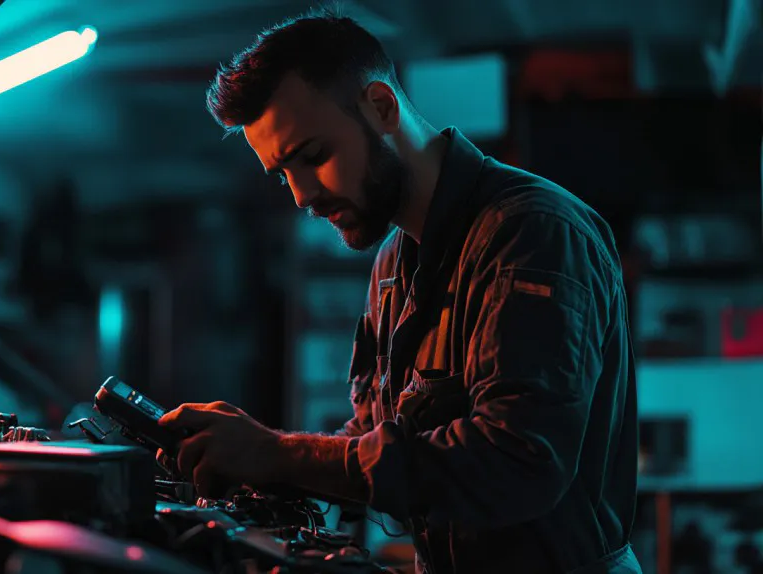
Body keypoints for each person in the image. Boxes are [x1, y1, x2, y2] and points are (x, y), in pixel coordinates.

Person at [157, 7, 642, 574]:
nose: (301, 196)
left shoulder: (533, 232)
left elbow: (516, 463)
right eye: (282, 174)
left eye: (313, 156)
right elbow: (375, 440)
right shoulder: (393, 261)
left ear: (382, 107)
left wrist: (274, 452)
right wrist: (253, 462)